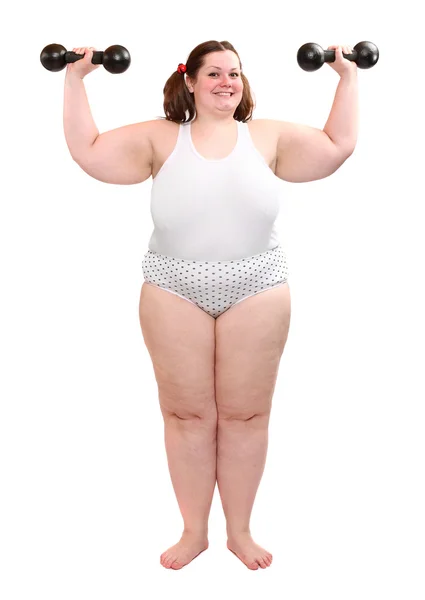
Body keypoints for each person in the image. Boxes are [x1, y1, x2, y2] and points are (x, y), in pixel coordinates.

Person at [63, 39, 358, 571]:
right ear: (191, 81)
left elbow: (337, 146)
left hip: (257, 286)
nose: (228, 82)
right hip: (175, 286)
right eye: (216, 73)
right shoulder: (161, 137)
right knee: (187, 414)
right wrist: (75, 80)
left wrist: (347, 78)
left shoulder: (265, 135)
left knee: (246, 414)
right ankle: (194, 530)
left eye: (236, 74)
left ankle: (240, 531)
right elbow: (88, 151)